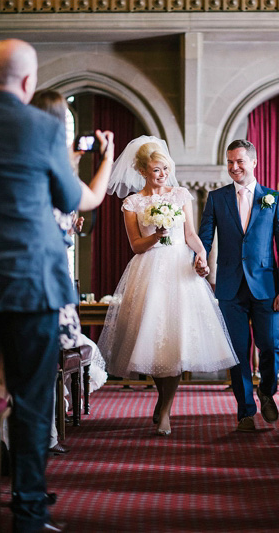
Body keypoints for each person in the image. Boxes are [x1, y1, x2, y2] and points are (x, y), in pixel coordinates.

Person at [0, 39, 82, 532]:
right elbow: (67, 196)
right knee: (31, 402)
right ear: (27, 82)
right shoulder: (44, 127)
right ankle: (27, 514)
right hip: (33, 285)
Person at [98, 136, 238, 436]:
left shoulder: (181, 195)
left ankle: (164, 410)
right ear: (142, 171)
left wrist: (201, 255)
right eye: (155, 170)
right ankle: (162, 401)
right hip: (148, 269)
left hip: (179, 269)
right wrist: (156, 234)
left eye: (165, 168)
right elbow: (136, 245)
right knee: (154, 340)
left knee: (176, 341)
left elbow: (190, 234)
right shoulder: (133, 203)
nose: (162, 175)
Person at [30, 89, 113, 455]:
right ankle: (40, 445)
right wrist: (107, 158)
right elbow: (91, 197)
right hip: (45, 281)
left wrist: (72, 160)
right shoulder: (53, 166)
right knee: (41, 369)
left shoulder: (19, 158)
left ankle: (2, 447)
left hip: (7, 276)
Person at [197, 139, 279, 432]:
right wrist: (199, 259)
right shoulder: (216, 198)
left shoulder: (273, 199)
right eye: (230, 162)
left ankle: (266, 390)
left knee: (271, 344)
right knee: (238, 351)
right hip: (229, 287)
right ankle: (245, 411)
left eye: (240, 161)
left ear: (254, 162)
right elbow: (204, 237)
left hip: (266, 286)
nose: (234, 167)